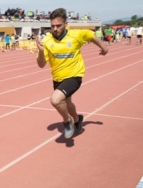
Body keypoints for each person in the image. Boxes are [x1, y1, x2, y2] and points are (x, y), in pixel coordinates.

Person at [36, 8, 108, 139]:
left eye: (58, 26)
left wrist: (104, 48)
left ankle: (67, 121)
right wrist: (41, 51)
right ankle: (77, 119)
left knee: (55, 100)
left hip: (75, 75)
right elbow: (41, 65)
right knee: (67, 104)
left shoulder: (75, 35)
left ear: (65, 24)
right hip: (58, 78)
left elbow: (91, 36)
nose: (55, 29)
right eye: (52, 26)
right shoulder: (46, 41)